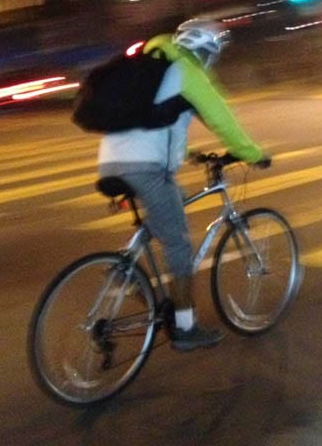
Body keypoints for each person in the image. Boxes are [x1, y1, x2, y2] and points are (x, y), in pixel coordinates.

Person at [98, 18, 269, 351]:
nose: (211, 61)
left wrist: (188, 153)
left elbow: (154, 122)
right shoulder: (186, 71)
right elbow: (220, 118)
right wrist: (251, 153)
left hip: (112, 160)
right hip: (146, 168)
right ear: (202, 50)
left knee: (174, 199)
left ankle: (126, 266)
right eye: (211, 54)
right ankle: (186, 329)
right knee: (179, 246)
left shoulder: (155, 66)